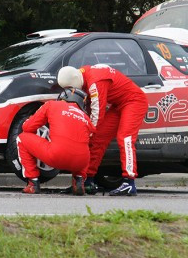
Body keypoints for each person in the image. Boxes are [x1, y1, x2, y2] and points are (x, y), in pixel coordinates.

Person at [57, 64, 148, 196]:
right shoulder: (82, 74)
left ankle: (129, 182)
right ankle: (87, 180)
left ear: (75, 81)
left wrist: (87, 132)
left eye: (70, 88)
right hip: (118, 104)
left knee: (125, 138)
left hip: (134, 101)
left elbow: (97, 113)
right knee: (98, 138)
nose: (71, 91)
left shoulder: (96, 82)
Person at [17, 87, 95, 195]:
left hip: (56, 155)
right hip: (81, 163)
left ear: (64, 96)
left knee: (22, 138)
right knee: (83, 148)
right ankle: (79, 181)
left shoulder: (52, 105)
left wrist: (28, 120)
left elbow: (28, 127)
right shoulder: (86, 118)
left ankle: (33, 184)